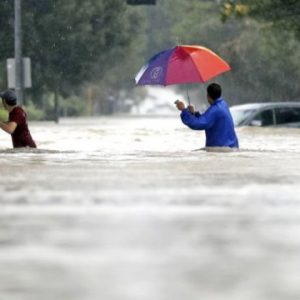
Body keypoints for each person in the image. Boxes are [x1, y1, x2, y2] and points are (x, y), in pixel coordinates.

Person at [175, 83, 239, 149]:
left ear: (208, 95)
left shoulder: (215, 110)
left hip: (221, 150)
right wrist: (193, 113)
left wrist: (184, 110)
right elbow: (207, 119)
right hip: (232, 147)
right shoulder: (223, 104)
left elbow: (198, 124)